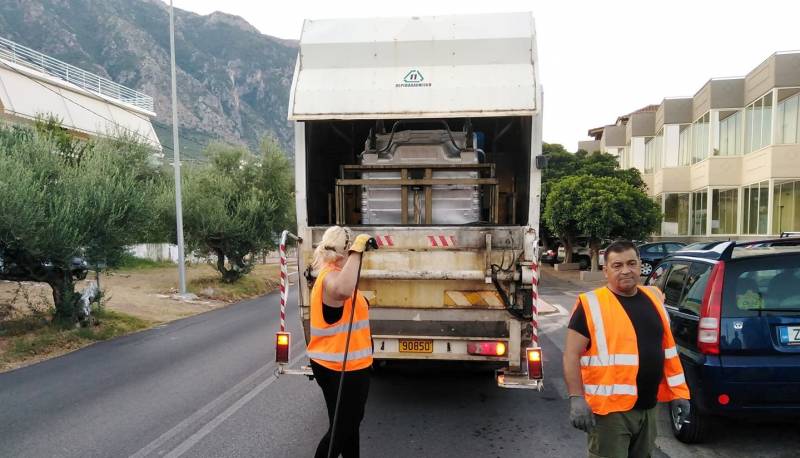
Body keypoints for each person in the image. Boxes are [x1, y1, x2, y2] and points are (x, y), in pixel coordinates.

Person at [563, 240, 691, 458]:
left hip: (648, 407)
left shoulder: (654, 297)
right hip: (610, 412)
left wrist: (679, 393)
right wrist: (576, 397)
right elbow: (571, 355)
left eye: (632, 263)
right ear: (606, 271)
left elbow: (668, 350)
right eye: (617, 265)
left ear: (640, 265)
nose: (626, 271)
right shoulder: (592, 304)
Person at [307, 226, 374, 458]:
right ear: (344, 250)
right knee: (343, 427)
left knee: (347, 427)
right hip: (342, 367)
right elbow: (344, 289)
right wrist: (357, 251)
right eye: (351, 247)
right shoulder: (331, 277)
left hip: (335, 364)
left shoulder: (330, 272)